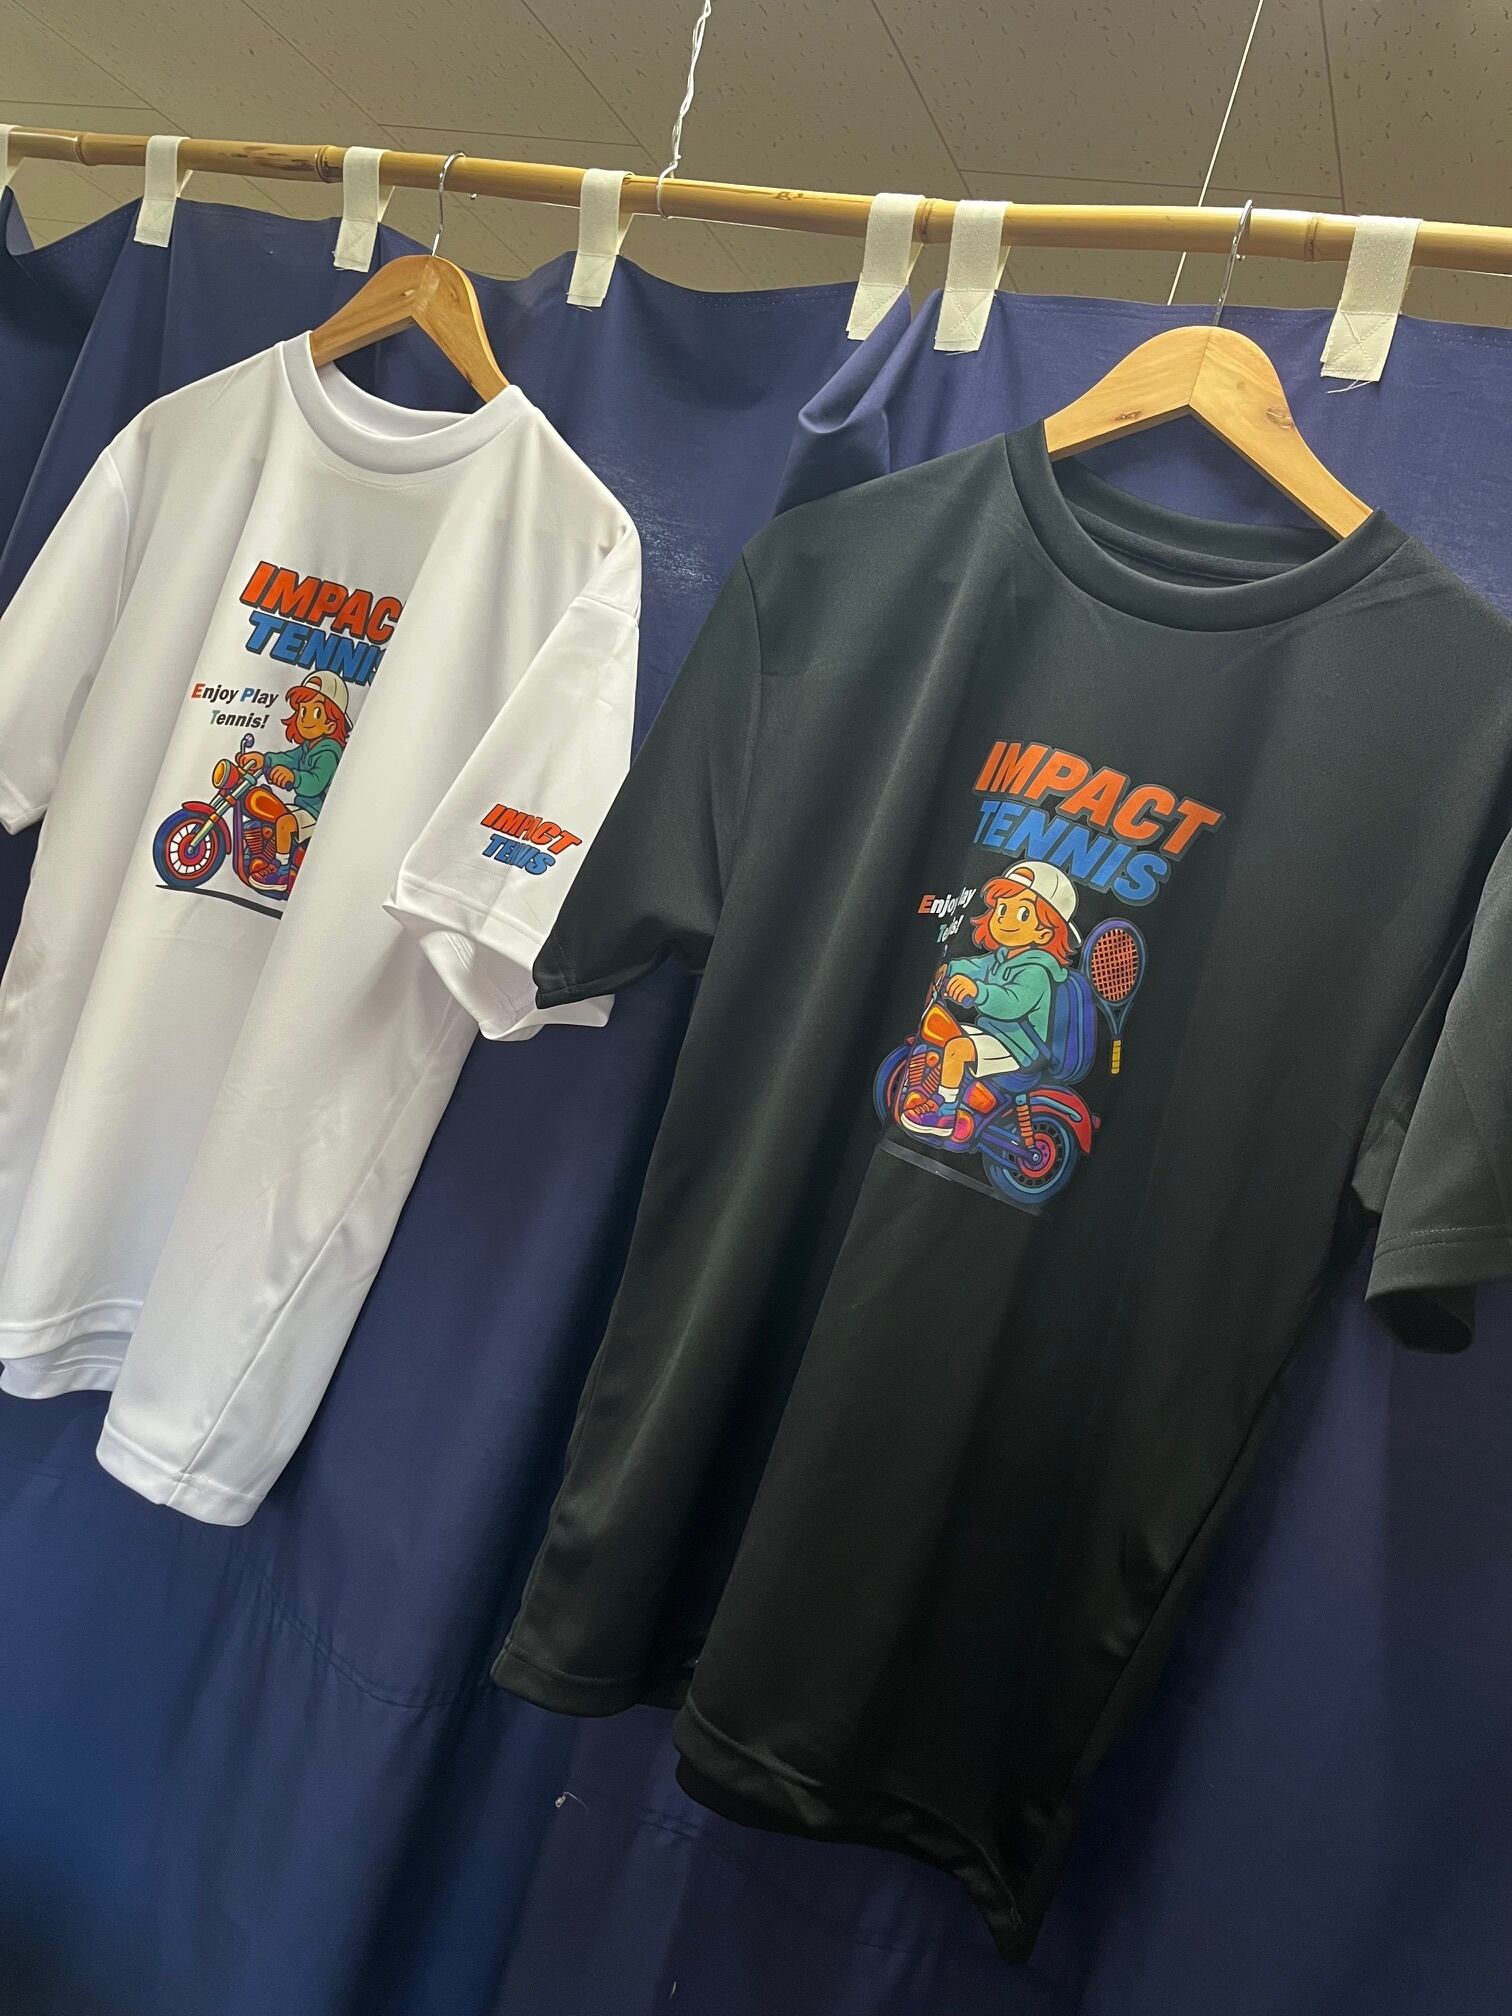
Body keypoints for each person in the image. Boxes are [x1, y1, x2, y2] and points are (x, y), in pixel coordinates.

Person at [900, 861, 1076, 1140]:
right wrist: (952, 968)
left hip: (1021, 1047)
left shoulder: (1037, 971)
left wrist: (979, 992)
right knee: (946, 1036)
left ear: (1045, 933)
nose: (1005, 919)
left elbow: (1012, 1003)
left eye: (1022, 913)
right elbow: (976, 965)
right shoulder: (1004, 957)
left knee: (957, 1049)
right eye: (1002, 909)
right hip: (997, 1035)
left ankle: (945, 1112)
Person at [237, 670, 350, 893]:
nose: (305, 718)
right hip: (304, 808)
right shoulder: (309, 746)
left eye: (316, 712)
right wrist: (264, 760)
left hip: (318, 813)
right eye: (302, 710)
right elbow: (289, 757)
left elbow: (316, 783)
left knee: (284, 823)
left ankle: (280, 870)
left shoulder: (329, 752)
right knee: (268, 814)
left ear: (331, 725)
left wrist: (294, 777)